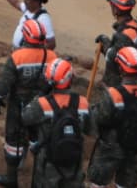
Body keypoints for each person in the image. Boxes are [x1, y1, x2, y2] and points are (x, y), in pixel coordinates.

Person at [0, 18, 57, 187]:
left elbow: (4, 84)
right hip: (43, 106)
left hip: (18, 106)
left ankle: (12, 178)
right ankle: (38, 181)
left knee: (13, 140)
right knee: (39, 141)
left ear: (25, 36)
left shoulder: (17, 57)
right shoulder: (51, 56)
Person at [87, 46, 137, 188]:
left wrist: (94, 107)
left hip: (111, 147)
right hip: (135, 147)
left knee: (98, 181)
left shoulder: (114, 94)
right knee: (126, 183)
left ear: (121, 69)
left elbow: (100, 118)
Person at [21, 58, 94, 188]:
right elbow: (91, 130)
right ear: (70, 79)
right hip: (74, 161)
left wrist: (41, 94)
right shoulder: (83, 102)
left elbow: (25, 117)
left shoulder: (42, 104)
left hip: (48, 162)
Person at [96, 0, 137, 89]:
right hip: (133, 80)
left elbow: (111, 57)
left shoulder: (124, 35)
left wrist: (105, 41)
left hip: (119, 85)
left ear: (115, 10)